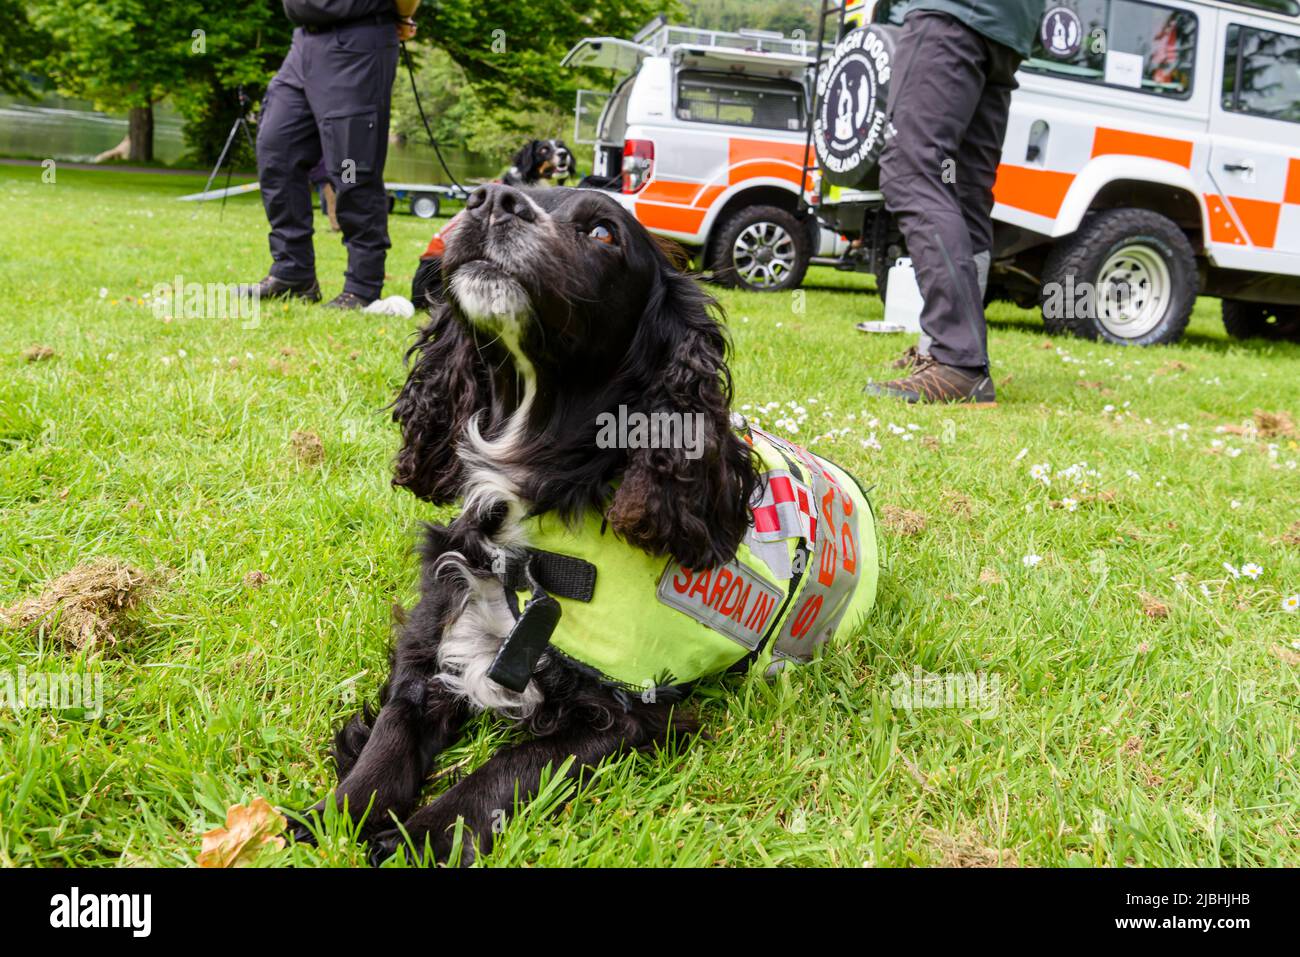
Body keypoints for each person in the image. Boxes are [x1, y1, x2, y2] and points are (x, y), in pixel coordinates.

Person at [866, 0, 1045, 404]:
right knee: (964, 190)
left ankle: (957, 359)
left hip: (953, 14)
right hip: (1006, 26)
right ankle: (946, 352)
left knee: (912, 171)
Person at [241, 1, 420, 309]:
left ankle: (362, 286)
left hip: (356, 43)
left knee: (351, 166)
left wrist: (403, 16)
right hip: (303, 44)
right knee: (277, 149)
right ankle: (293, 272)